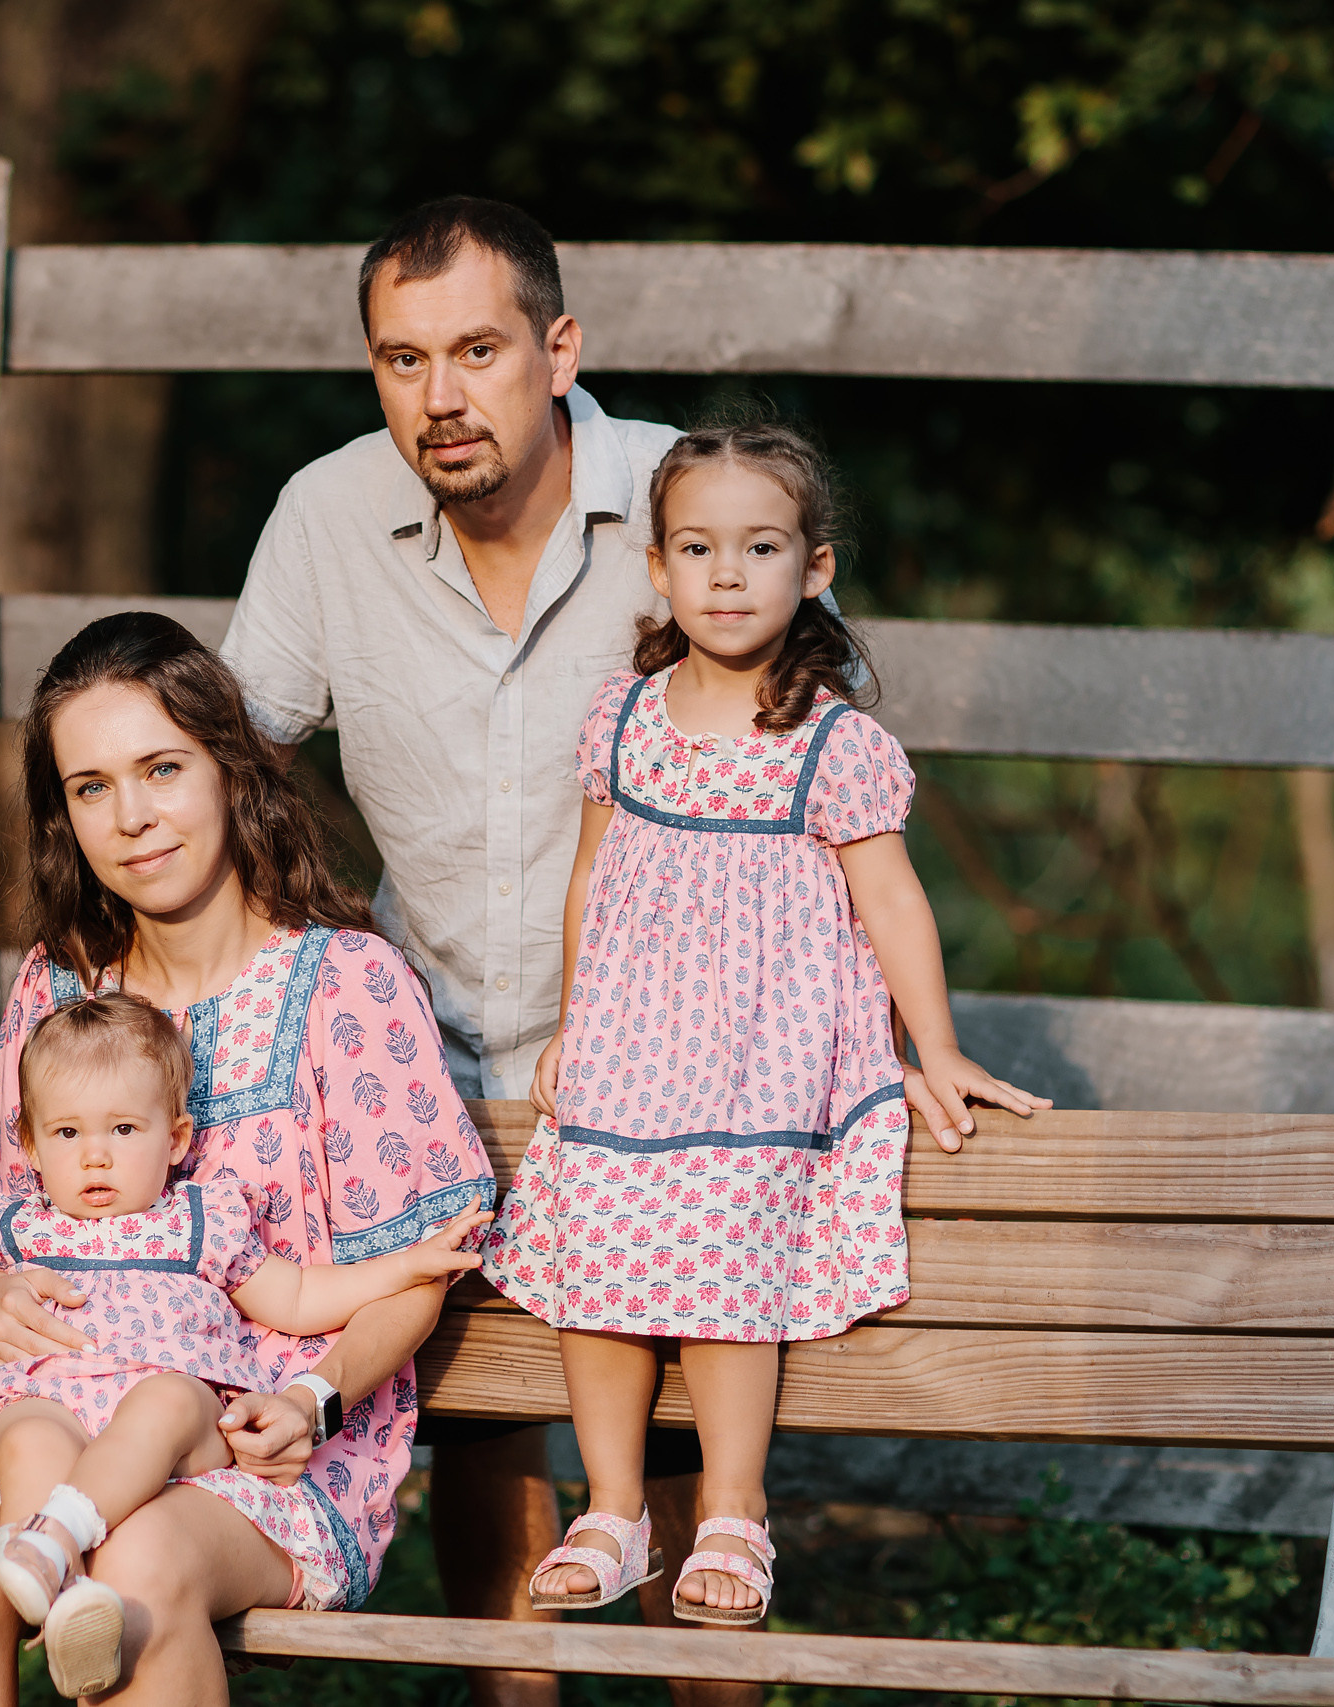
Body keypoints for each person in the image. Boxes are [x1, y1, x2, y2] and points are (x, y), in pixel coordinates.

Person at [220, 195, 774, 1704]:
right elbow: (226, 769)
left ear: (558, 348)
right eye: (403, 361)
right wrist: (305, 984)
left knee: (671, 1426)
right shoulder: (328, 515)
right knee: (470, 1403)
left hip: (675, 1069)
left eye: (477, 349)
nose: (442, 396)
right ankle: (508, 1697)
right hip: (434, 1057)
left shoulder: (696, 500)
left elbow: (809, 772)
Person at [481, 417, 1049, 1624]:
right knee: (596, 1245)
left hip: (763, 1055)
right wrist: (575, 1025)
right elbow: (591, 877)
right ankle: (614, 1506)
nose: (725, 576)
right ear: (658, 568)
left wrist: (928, 1048)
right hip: (633, 1045)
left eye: (758, 548)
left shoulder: (831, 744)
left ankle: (734, 1507)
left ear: (814, 570)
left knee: (725, 1246)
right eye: (696, 547)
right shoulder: (623, 720)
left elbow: (890, 901)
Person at [0, 612, 498, 1706]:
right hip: (52, 1420)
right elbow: (2, 1208)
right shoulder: (55, 985)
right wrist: (3, 1294)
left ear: (230, 770)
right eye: (91, 786)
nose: (132, 818)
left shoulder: (345, 984)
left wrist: (315, 1396)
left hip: (261, 1444)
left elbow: (413, 1272)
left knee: (139, 1565)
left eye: (161, 769)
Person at [0, 991, 487, 1698]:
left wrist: (405, 1263)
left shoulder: (198, 1224)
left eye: (123, 1128)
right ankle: (60, 1588)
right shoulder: (19, 1229)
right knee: (27, 1430)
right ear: (29, 1145)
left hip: (173, 1452)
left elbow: (303, 1296)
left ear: (176, 1138)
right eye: (66, 1134)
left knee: (171, 1396)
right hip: (49, 1413)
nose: (95, 1155)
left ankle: (59, 1540)